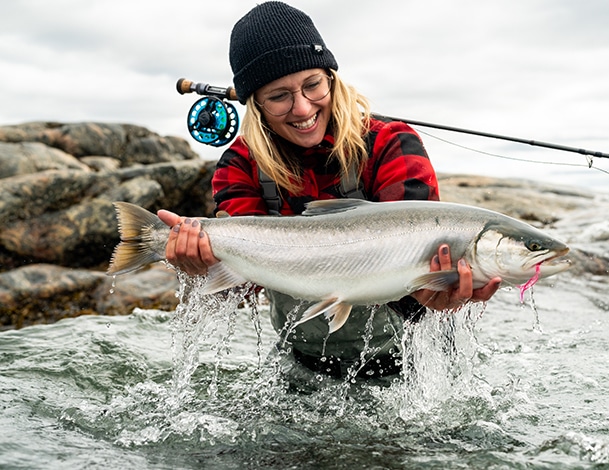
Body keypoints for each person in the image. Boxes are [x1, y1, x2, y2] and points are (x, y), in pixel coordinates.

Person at [158, 1, 501, 378]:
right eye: (279, 96)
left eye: (312, 85)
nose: (303, 108)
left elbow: (422, 258)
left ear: (332, 80)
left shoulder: (390, 144)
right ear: (255, 104)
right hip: (302, 365)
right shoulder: (240, 165)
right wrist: (198, 266)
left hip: (414, 364)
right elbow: (242, 284)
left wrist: (436, 294)